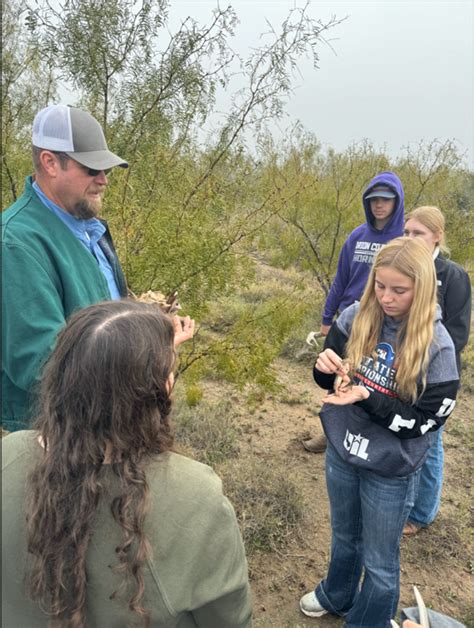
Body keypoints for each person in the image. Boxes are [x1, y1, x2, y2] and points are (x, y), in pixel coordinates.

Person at [2, 300, 252, 628]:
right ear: (158, 391)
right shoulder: (198, 497)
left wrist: (140, 356)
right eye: (168, 372)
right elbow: (229, 619)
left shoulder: (9, 455)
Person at [2, 104, 194, 432]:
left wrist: (151, 329)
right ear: (50, 162)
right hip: (60, 438)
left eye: (106, 169)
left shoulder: (87, 227)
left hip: (107, 424)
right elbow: (42, 364)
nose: (104, 180)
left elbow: (101, 318)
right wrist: (146, 358)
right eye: (92, 169)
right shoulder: (16, 243)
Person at [299, 237, 460, 627]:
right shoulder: (356, 316)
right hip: (343, 449)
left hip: (391, 466)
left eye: (399, 290)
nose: (386, 298)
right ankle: (337, 594)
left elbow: (425, 422)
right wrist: (325, 368)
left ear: (420, 289)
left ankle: (367, 622)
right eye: (380, 285)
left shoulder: (437, 347)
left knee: (380, 560)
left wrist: (367, 397)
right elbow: (328, 380)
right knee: (343, 535)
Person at [303, 170, 405, 453]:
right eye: (374, 199)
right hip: (350, 319)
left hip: (383, 323)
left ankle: (366, 437)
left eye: (386, 199)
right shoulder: (357, 236)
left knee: (372, 382)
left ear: (397, 202)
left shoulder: (402, 240)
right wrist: (328, 317)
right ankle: (331, 430)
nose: (379, 205)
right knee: (336, 373)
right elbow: (341, 279)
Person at [402, 206, 471, 535]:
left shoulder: (453, 276)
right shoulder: (401, 268)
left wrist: (420, 355)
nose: (411, 238)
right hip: (397, 370)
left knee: (429, 442)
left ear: (437, 237)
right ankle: (400, 500)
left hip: (434, 376)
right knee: (401, 435)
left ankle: (422, 513)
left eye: (419, 233)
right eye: (407, 232)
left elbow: (458, 335)